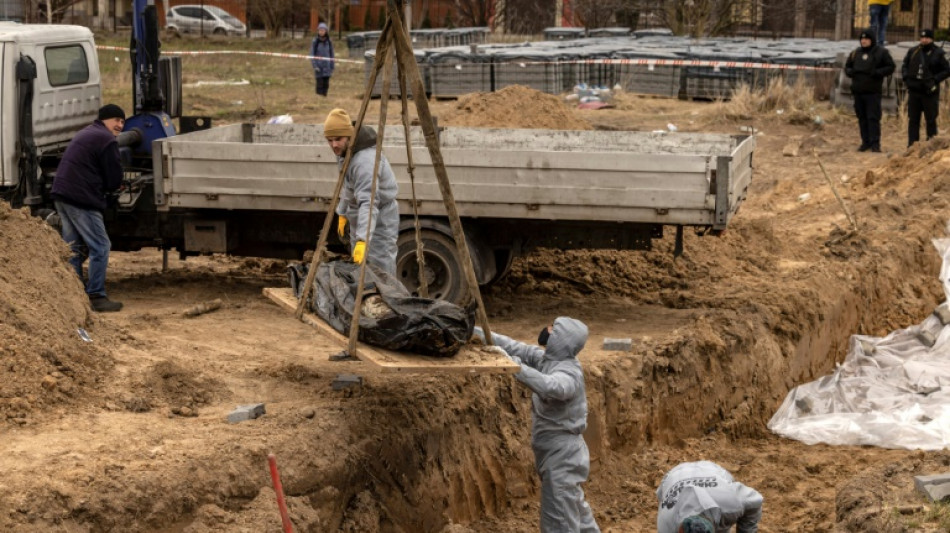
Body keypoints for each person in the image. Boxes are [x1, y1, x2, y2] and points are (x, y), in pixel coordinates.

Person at [475, 318, 600, 533]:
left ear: (561, 340)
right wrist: (475, 331)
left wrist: (515, 367)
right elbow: (514, 346)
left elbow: (552, 386)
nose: (547, 329)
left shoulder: (569, 372)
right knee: (575, 511)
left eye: (553, 328)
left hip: (563, 455)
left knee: (558, 521)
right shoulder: (548, 359)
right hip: (557, 452)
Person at [50, 104, 126, 312]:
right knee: (100, 246)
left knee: (72, 248)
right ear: (104, 120)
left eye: (122, 121)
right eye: (116, 120)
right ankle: (97, 296)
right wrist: (114, 187)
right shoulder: (106, 139)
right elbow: (113, 177)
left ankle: (73, 294)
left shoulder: (88, 132)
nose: (119, 125)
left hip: (62, 193)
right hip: (80, 198)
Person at [324, 108, 399, 275]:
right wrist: (343, 212)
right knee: (361, 272)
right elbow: (349, 186)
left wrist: (362, 240)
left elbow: (369, 202)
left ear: (350, 136)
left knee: (381, 269)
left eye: (338, 139)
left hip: (379, 218)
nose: (334, 145)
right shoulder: (345, 152)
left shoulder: (365, 161)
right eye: (329, 140)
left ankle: (387, 300)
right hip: (358, 215)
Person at [656, 461, 763, 533]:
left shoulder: (731, 502)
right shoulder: (666, 526)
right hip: (674, 476)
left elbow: (755, 502)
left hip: (710, 470)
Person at [845, 29, 895, 152]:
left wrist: (877, 73)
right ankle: (865, 142)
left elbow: (891, 67)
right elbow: (847, 67)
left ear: (871, 40)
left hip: (872, 92)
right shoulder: (855, 53)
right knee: (862, 118)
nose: (864, 41)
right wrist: (850, 72)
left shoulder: (881, 52)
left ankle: (875, 144)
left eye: (866, 39)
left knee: (873, 118)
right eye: (862, 39)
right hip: (858, 91)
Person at [902, 29, 950, 147]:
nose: (924, 40)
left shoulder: (938, 53)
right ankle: (912, 147)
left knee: (930, 120)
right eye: (922, 38)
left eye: (927, 38)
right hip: (914, 91)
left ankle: (931, 146)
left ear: (931, 39)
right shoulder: (913, 51)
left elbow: (947, 70)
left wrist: (935, 80)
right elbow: (905, 66)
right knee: (913, 121)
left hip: (929, 93)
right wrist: (906, 78)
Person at [310, 22, 335, 97]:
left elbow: (332, 54)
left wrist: (332, 66)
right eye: (320, 30)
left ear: (326, 31)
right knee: (319, 84)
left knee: (326, 84)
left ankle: (325, 97)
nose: (321, 32)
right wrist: (315, 66)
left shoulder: (329, 42)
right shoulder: (315, 41)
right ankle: (319, 98)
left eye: (323, 30)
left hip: (327, 67)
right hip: (319, 68)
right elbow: (312, 54)